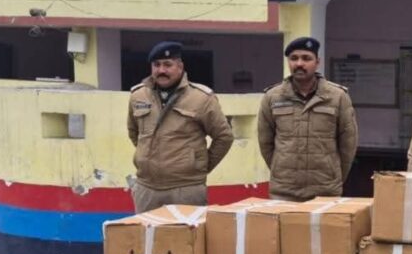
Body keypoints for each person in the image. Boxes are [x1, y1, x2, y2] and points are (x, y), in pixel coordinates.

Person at [127, 41, 234, 211]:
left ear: (180, 67)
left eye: (167, 65)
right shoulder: (138, 96)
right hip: (147, 188)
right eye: (156, 65)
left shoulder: (201, 98)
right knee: (146, 229)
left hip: (186, 188)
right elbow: (134, 132)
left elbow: (224, 137)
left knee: (186, 230)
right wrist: (147, 156)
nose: (161, 70)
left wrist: (199, 166)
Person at [257, 36, 358, 202]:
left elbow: (348, 144)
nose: (299, 63)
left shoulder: (337, 97)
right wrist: (281, 171)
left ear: (317, 62)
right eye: (294, 58)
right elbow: (265, 143)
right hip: (284, 192)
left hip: (325, 191)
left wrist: (334, 177)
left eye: (306, 58)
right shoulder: (272, 97)